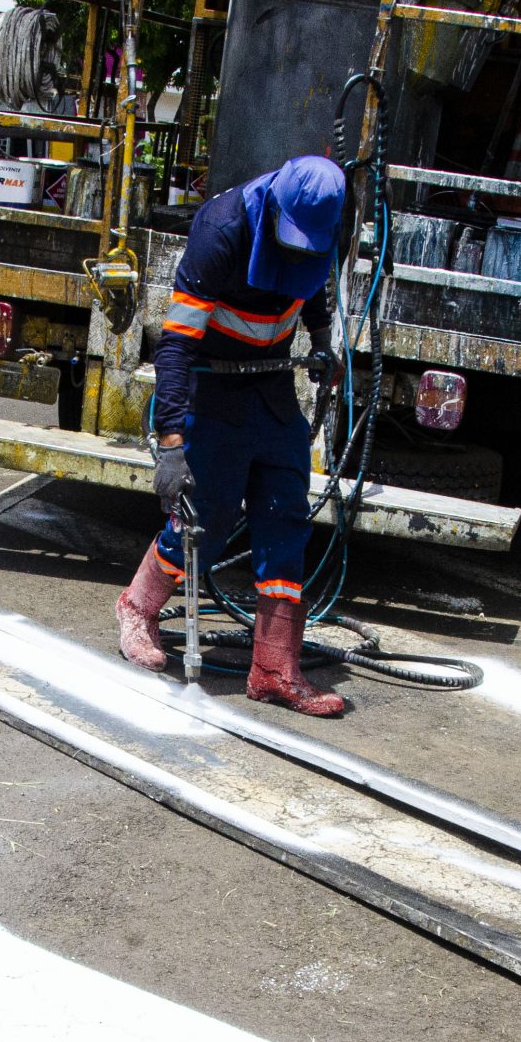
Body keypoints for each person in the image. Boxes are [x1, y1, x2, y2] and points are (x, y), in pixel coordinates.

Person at [112, 154, 348, 716]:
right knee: (208, 513)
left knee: (285, 513)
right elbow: (176, 346)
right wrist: (170, 446)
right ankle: (137, 609)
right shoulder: (222, 230)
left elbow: (311, 283)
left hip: (270, 387)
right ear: (274, 210)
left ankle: (273, 667)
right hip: (211, 386)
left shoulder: (323, 227)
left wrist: (320, 342)